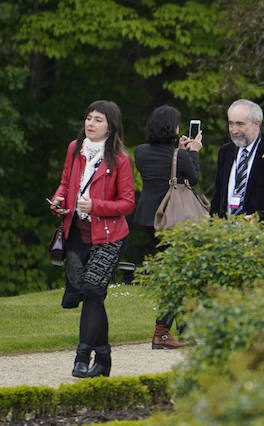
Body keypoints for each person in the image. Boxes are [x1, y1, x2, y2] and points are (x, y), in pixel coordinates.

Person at [50, 100, 134, 378]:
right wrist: (60, 199)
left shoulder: (120, 158)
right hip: (76, 232)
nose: (90, 123)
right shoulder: (75, 149)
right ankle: (104, 359)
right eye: (88, 118)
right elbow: (65, 182)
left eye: (98, 120)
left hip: (109, 237)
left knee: (94, 292)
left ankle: (82, 357)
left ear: (111, 126)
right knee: (87, 293)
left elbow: (127, 203)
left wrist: (96, 206)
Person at [133, 105, 202, 349]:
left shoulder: (140, 152)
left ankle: (184, 328)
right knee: (178, 276)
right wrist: (192, 151)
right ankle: (162, 331)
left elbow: (162, 169)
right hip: (173, 219)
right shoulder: (180, 155)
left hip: (150, 219)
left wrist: (180, 152)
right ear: (172, 127)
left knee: (174, 273)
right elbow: (193, 178)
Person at [210, 99, 264, 224]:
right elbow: (218, 196)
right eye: (231, 124)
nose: (234, 130)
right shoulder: (226, 151)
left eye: (240, 124)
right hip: (227, 234)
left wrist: (259, 218)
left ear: (256, 123)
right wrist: (213, 226)